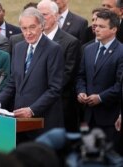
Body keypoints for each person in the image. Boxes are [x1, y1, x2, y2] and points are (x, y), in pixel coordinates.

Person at [0, 7, 64, 143]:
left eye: (32, 27)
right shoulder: (19, 47)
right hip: (19, 121)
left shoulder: (53, 49)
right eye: (24, 28)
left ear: (41, 26)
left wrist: (32, 110)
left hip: (43, 121)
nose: (28, 33)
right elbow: (13, 82)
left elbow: (54, 89)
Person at [76, 9, 123, 143]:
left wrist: (100, 98)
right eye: (96, 26)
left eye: (102, 27)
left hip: (110, 118)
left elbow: (120, 85)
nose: (96, 29)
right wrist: (81, 92)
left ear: (114, 29)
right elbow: (80, 76)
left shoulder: (120, 52)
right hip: (88, 116)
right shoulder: (88, 49)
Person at [37, 0, 81, 132]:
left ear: (56, 16)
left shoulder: (70, 42)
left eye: (44, 15)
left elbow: (67, 74)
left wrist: (40, 92)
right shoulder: (31, 40)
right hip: (34, 104)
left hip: (58, 104)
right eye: (38, 16)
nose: (41, 19)